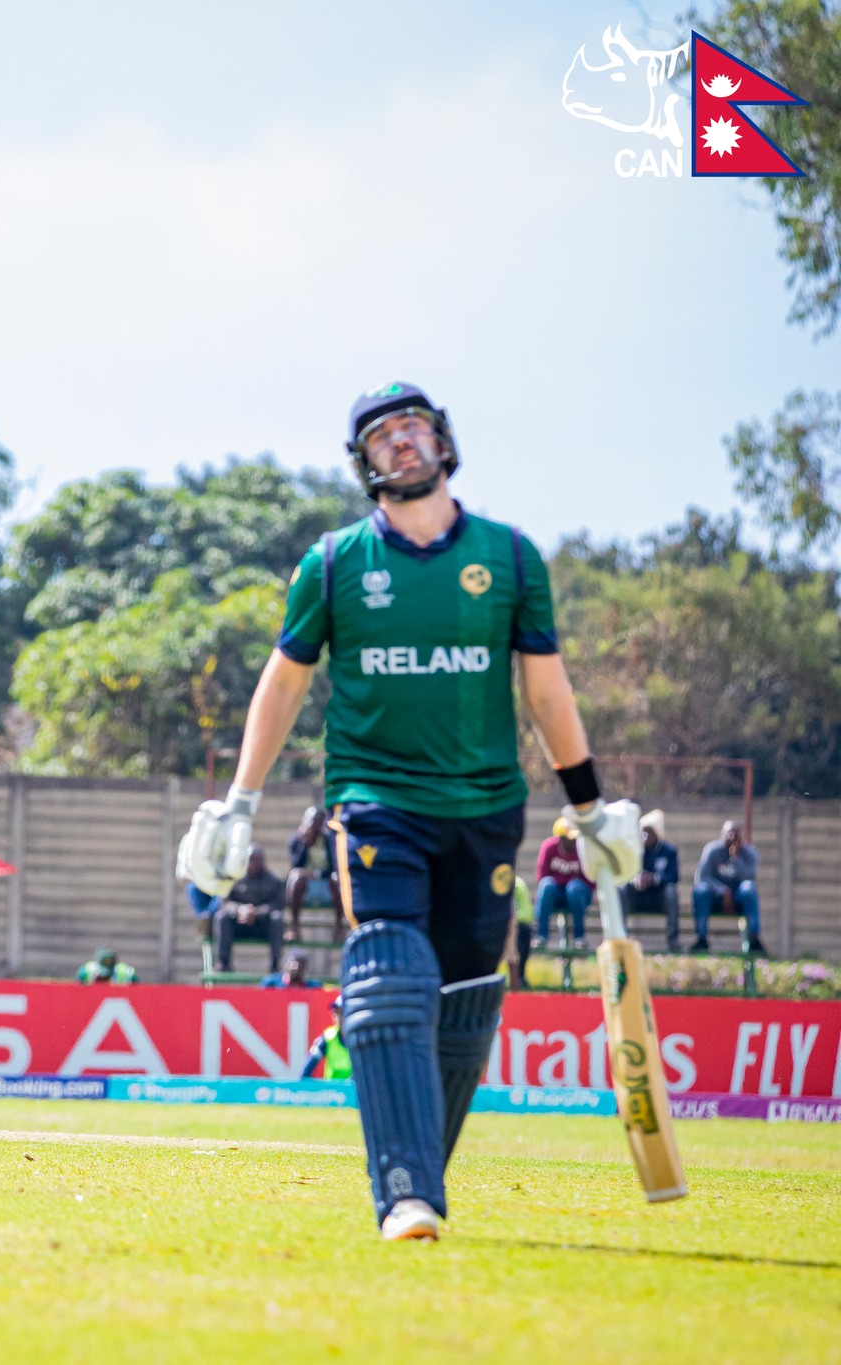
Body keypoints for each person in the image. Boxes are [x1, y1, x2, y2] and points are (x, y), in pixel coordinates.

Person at [180, 380, 640, 1242]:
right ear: (365, 462)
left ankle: (420, 1167)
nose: (401, 441)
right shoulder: (334, 562)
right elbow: (285, 682)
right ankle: (405, 1193)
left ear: (442, 440)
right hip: (376, 801)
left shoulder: (509, 557)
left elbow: (546, 690)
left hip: (487, 808)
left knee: (466, 991)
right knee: (390, 974)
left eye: (414, 426)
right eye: (382, 434)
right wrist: (239, 801)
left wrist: (589, 806)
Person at [693, 820, 763, 954]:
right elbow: (702, 877)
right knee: (700, 891)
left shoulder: (750, 852)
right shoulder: (711, 850)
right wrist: (722, 890)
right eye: (728, 833)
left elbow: (749, 876)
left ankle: (754, 938)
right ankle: (701, 939)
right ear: (721, 834)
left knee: (749, 888)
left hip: (738, 899)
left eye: (735, 834)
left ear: (741, 835)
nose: (731, 837)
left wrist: (735, 858)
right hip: (715, 898)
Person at [216, 845, 286, 973]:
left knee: (277, 919)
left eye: (256, 860)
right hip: (238, 924)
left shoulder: (274, 879)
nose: (253, 863)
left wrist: (256, 912)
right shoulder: (233, 877)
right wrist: (240, 910)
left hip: (262, 925)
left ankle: (275, 965)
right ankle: (223, 963)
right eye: (250, 859)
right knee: (221, 917)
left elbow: (278, 904)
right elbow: (225, 903)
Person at [622, 809, 682, 950]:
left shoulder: (669, 851)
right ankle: (622, 934)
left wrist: (654, 879)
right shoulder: (634, 850)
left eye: (648, 832)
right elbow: (625, 873)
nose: (645, 836)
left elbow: (674, 876)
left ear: (657, 833)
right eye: (643, 832)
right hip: (636, 898)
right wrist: (635, 880)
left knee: (671, 891)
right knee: (622, 887)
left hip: (657, 899)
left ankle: (673, 940)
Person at [533, 816, 592, 948]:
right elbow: (542, 877)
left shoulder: (583, 849)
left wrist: (567, 883)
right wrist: (564, 882)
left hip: (578, 897)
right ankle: (541, 935)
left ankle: (579, 938)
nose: (573, 841)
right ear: (560, 838)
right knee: (547, 885)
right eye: (569, 838)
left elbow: (590, 880)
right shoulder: (549, 847)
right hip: (556, 896)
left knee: (574, 888)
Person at [286, 806, 338, 920]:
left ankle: (339, 928)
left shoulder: (329, 840)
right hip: (306, 886)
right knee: (295, 878)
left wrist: (316, 874)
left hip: (326, 883)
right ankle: (295, 927)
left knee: (338, 879)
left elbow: (334, 867)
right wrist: (305, 843)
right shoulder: (296, 840)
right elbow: (295, 866)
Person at [303, 994, 352, 1080]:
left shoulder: (361, 1038)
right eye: (336, 1012)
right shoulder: (328, 1037)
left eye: (343, 1013)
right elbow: (307, 1069)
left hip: (356, 1090)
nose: (339, 1017)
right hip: (332, 1091)